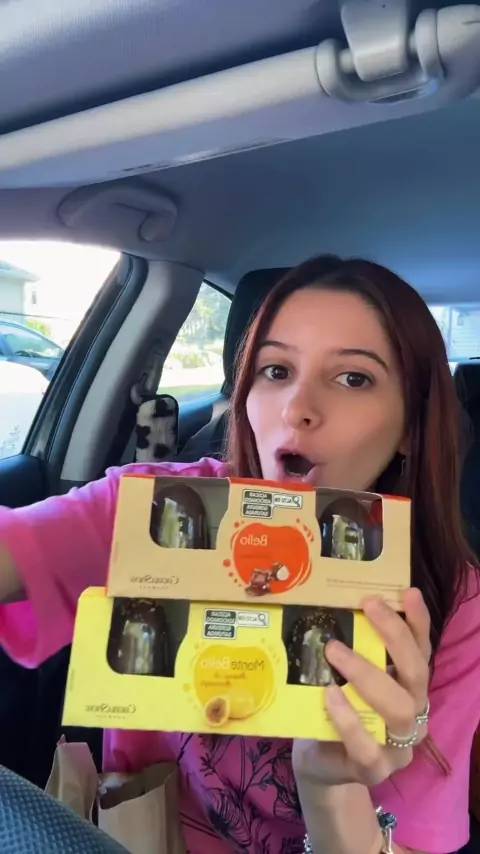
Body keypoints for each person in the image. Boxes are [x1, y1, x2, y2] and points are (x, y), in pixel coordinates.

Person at [0, 254, 479, 854]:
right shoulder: (156, 511)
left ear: (410, 424)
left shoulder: (450, 601)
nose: (297, 407)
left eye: (354, 378)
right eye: (276, 370)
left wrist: (331, 790)